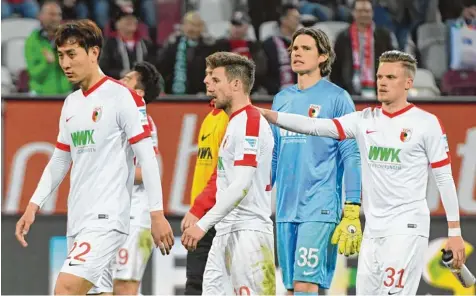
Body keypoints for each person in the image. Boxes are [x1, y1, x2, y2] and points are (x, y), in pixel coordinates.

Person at [259, 50, 466, 295]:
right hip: (373, 230)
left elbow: (443, 178)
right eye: (379, 76)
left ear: (408, 83)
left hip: (407, 227)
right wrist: (269, 115)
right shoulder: (364, 119)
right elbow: (315, 126)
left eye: (391, 77)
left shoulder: (426, 123)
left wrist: (455, 232)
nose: (382, 82)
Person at [14, 20, 174, 295]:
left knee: (64, 289)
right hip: (78, 217)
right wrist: (33, 204)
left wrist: (157, 214)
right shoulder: (71, 103)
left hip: (107, 217)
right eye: (61, 55)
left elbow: (148, 159)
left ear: (94, 53)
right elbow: (61, 159)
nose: (65, 63)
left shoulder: (123, 97)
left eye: (72, 54)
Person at [271, 27, 362, 295]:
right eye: (294, 49)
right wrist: (262, 188)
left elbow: (351, 153)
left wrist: (353, 205)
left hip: (319, 206)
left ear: (323, 57)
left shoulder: (337, 98)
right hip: (286, 207)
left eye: (305, 48)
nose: (297, 53)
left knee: (305, 285)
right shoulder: (282, 99)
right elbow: (275, 152)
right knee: (290, 288)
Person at [181, 52, 275, 295]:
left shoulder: (250, 122)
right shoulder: (233, 122)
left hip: (248, 234)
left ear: (235, 84)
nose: (207, 83)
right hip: (226, 231)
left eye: (216, 79)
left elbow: (241, 184)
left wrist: (202, 225)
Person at [112, 61, 162, 295]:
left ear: (138, 93)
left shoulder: (144, 125)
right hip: (112, 212)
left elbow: (147, 173)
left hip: (134, 215)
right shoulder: (115, 120)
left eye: (127, 80)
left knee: (124, 286)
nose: (120, 81)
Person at [181, 67, 229, 295]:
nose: (205, 79)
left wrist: (198, 209)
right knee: (195, 284)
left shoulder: (232, 120)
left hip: (218, 217)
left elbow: (222, 174)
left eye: (212, 75)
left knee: (208, 285)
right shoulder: (211, 118)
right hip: (202, 217)